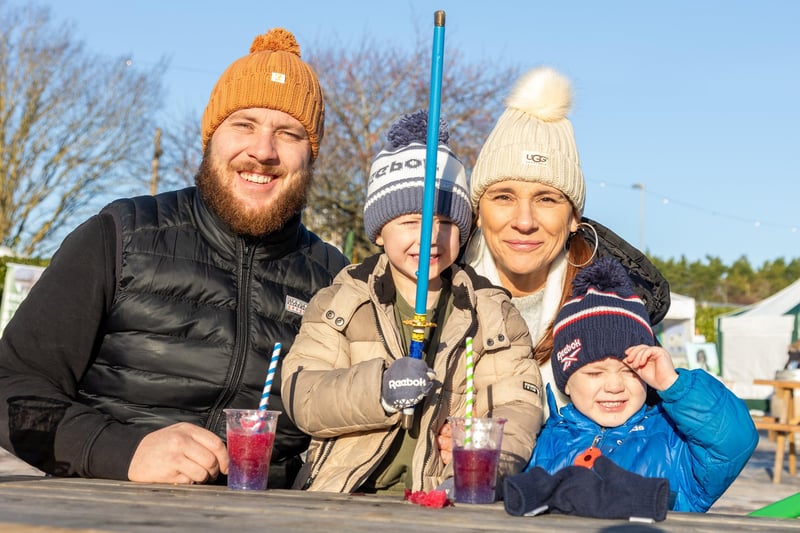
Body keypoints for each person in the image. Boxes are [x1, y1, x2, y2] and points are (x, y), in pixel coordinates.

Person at [0, 28, 348, 488]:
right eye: (244, 124)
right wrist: (123, 451)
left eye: (288, 133)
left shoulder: (335, 281)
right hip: (105, 513)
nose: (263, 151)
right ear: (211, 135)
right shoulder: (120, 236)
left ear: (312, 155)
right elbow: (12, 389)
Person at [281, 111, 544, 493]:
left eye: (445, 223)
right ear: (379, 232)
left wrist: (486, 448)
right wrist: (379, 390)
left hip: (444, 497)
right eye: (409, 222)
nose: (430, 238)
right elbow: (303, 395)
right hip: (345, 494)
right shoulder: (341, 302)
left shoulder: (492, 313)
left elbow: (518, 404)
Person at [461, 66, 670, 416]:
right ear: (477, 212)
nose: (524, 221)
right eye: (503, 197)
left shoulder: (619, 307)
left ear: (574, 217)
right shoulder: (434, 295)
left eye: (546, 199)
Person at [526, 257, 758, 512]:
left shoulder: (674, 442)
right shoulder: (544, 440)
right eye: (595, 373)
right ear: (566, 383)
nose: (614, 386)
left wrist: (674, 385)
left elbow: (734, 440)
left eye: (629, 370)